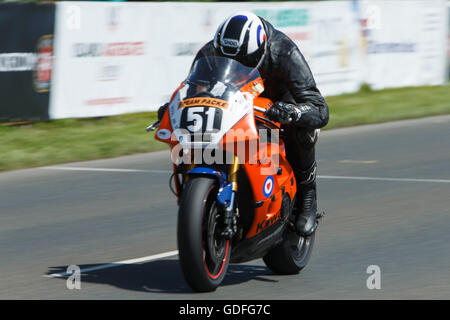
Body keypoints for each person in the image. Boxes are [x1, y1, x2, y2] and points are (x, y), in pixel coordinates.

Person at [158, 11, 329, 236]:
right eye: (229, 60)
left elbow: (319, 108)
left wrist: (294, 111)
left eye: (244, 61)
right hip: (235, 101)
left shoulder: (284, 52)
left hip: (278, 100)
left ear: (261, 50)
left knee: (301, 129)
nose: (236, 65)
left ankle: (308, 194)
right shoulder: (209, 52)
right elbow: (194, 89)